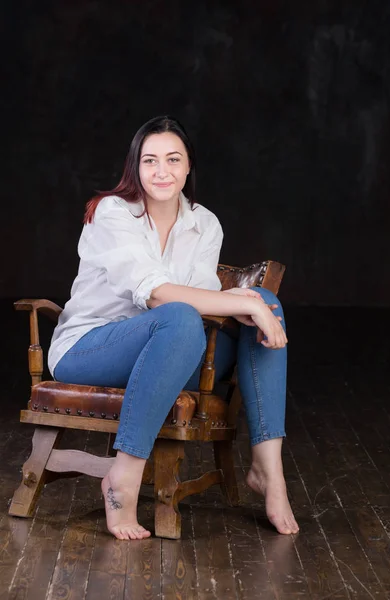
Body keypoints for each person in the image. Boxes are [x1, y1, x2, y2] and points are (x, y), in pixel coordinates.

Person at [49, 115, 299, 541]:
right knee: (183, 313)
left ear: (187, 168)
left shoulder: (205, 223)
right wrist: (241, 302)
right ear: (135, 167)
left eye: (172, 160)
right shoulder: (112, 212)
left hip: (169, 353)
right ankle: (123, 477)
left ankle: (268, 469)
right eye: (150, 161)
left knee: (266, 304)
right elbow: (158, 294)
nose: (161, 171)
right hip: (91, 350)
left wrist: (252, 306)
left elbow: (200, 304)